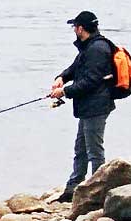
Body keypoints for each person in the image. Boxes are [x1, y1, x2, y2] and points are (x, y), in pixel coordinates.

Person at [49, 10, 117, 203]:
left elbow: (91, 81)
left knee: (94, 151)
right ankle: (72, 189)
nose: (74, 30)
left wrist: (65, 92)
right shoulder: (89, 46)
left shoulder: (97, 49)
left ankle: (98, 192)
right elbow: (75, 68)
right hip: (88, 106)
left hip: (97, 106)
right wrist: (61, 78)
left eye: (74, 27)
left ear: (80, 28)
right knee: (81, 149)